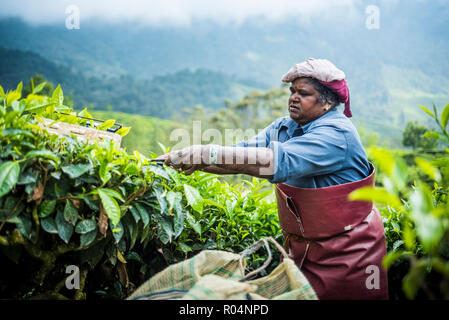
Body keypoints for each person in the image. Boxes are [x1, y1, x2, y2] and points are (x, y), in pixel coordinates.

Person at [158, 58, 388, 300]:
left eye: (304, 93)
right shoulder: (285, 127)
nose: (293, 98)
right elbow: (240, 154)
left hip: (347, 253)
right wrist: (182, 159)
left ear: (328, 101)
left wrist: (205, 153)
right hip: (303, 249)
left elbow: (275, 162)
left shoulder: (336, 135)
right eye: (292, 91)